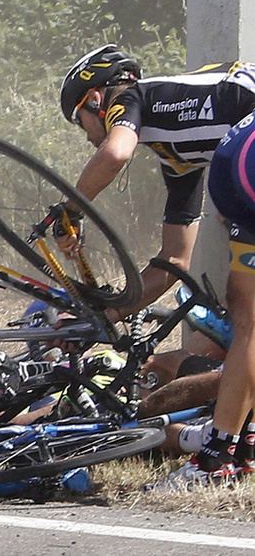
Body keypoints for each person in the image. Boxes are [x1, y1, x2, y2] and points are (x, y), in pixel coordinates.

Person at [58, 45, 255, 481]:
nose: (86, 135)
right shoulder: (180, 156)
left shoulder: (132, 97)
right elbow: (172, 262)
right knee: (246, 309)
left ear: (95, 99)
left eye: (80, 120)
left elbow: (113, 154)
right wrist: (107, 315)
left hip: (246, 153)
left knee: (248, 314)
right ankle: (240, 439)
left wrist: (69, 208)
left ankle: (219, 455)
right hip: (244, 157)